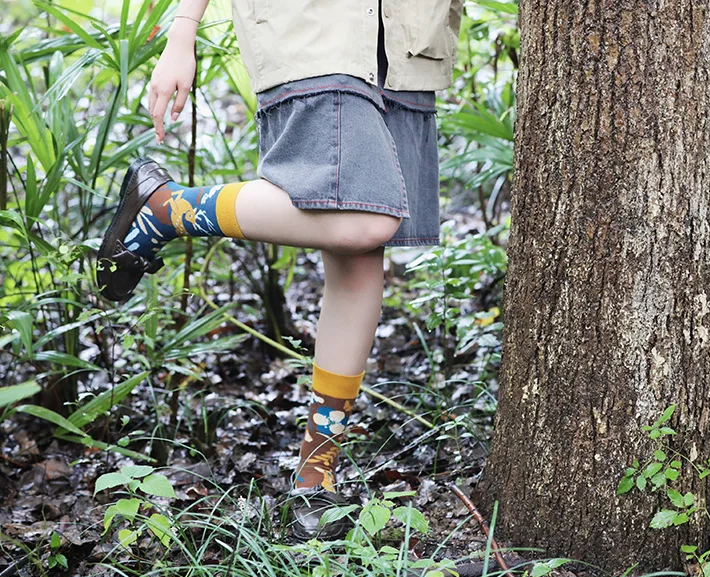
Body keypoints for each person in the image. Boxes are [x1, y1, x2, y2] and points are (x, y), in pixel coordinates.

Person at [97, 0, 463, 540]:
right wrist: (182, 32)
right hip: (318, 30)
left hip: (408, 37)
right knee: (366, 220)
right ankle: (168, 208)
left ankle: (315, 477)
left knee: (359, 262)